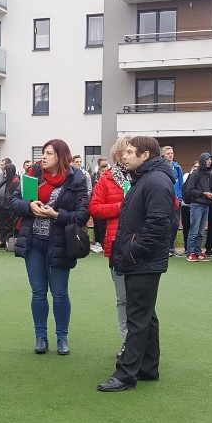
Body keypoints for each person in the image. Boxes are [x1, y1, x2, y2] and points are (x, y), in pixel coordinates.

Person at [97, 135, 174, 392]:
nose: (124, 155)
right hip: (141, 259)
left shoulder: (155, 181)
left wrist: (134, 251)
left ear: (145, 155)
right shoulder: (145, 178)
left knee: (137, 317)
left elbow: (159, 224)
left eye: (130, 152)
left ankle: (126, 374)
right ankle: (148, 368)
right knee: (146, 315)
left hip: (143, 260)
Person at [10, 139, 89, 356]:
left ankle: (62, 338)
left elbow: (82, 214)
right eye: (43, 153)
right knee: (38, 292)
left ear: (61, 157)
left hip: (61, 243)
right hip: (33, 242)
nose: (43, 157)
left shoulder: (76, 179)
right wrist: (29, 206)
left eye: (49, 154)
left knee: (60, 293)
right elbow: (13, 202)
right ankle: (41, 337)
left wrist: (56, 215)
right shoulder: (32, 174)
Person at [89, 137, 131, 358]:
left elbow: (170, 202)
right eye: (125, 151)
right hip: (116, 245)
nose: (127, 155)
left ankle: (143, 343)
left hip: (143, 245)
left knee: (143, 300)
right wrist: (121, 206)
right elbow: (95, 209)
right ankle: (127, 343)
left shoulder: (148, 176)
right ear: (116, 155)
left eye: (132, 151)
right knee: (123, 298)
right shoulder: (106, 179)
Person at [183, 153, 212, 262]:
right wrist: (203, 194)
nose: (209, 161)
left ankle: (197, 251)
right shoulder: (195, 174)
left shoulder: (209, 174)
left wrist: (210, 194)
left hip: (206, 204)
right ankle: (191, 252)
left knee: (201, 231)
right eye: (207, 160)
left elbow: (208, 188)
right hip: (196, 205)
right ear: (202, 161)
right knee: (194, 230)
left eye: (210, 160)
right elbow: (189, 190)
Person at [161, 146, 184, 257]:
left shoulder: (177, 167)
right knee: (165, 223)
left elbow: (180, 184)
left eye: (172, 153)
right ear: (164, 155)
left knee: (175, 224)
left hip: (176, 200)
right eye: (168, 153)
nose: (170, 155)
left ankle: (171, 246)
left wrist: (179, 197)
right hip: (164, 199)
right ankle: (163, 247)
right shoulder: (160, 167)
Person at [0, 163, 20, 248]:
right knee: (2, 224)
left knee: (11, 225)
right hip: (3, 204)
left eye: (6, 171)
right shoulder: (6, 180)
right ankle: (3, 242)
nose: (4, 172)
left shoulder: (16, 181)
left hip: (11, 206)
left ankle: (10, 242)